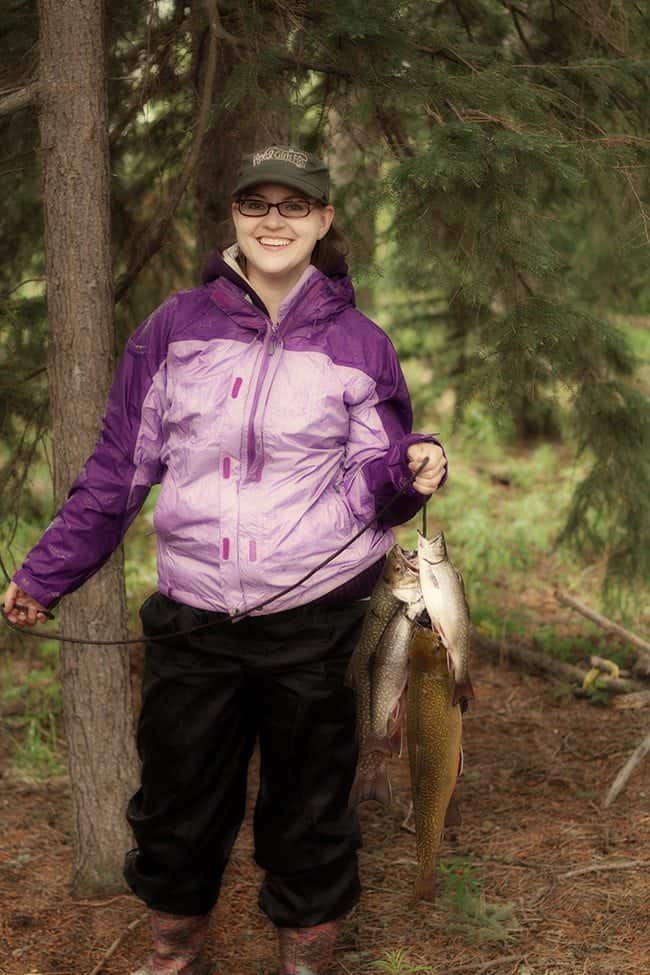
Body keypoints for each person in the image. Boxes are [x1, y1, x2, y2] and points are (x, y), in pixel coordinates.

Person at [3, 145, 447, 975]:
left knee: (311, 806)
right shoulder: (173, 329)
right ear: (234, 218)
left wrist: (413, 464)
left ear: (323, 221)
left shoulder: (360, 344)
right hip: (194, 619)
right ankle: (176, 953)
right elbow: (117, 472)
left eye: (293, 206)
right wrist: (45, 574)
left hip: (318, 625)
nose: (273, 220)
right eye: (257, 204)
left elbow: (379, 488)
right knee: (176, 803)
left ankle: (305, 958)